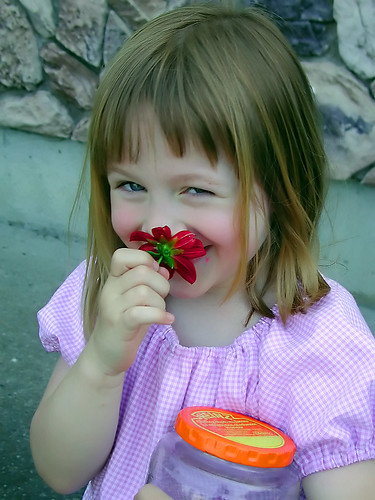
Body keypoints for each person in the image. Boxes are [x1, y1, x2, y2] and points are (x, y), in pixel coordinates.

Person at [30, 3, 375, 499]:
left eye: (196, 190)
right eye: (130, 185)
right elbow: (58, 471)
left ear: (280, 189)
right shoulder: (107, 294)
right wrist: (102, 365)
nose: (156, 225)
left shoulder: (318, 341)